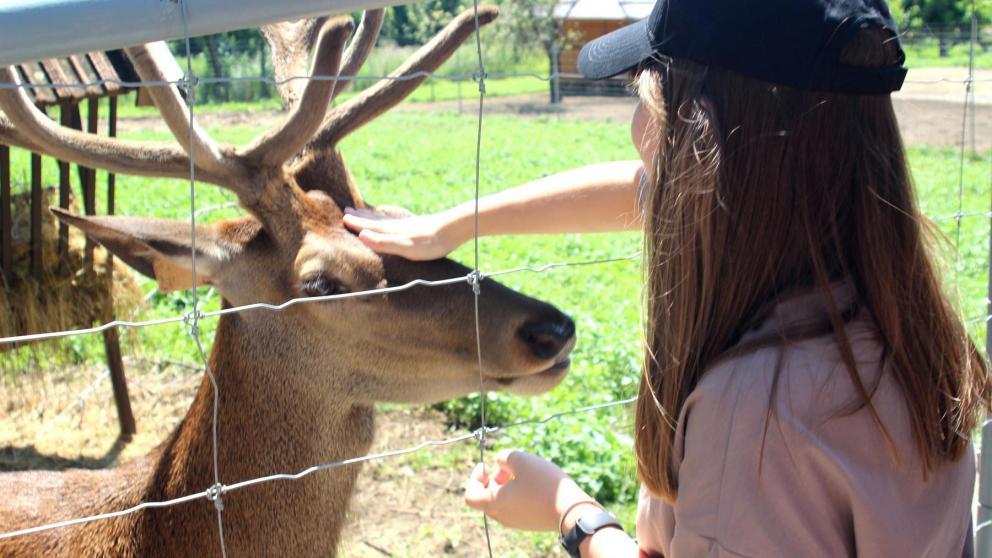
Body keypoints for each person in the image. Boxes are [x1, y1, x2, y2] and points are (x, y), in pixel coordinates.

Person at [342, 0, 990, 555]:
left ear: (698, 135)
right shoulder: (901, 329)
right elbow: (641, 192)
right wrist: (456, 224)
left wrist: (573, 514)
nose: (634, 137)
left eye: (644, 94)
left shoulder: (761, 417)